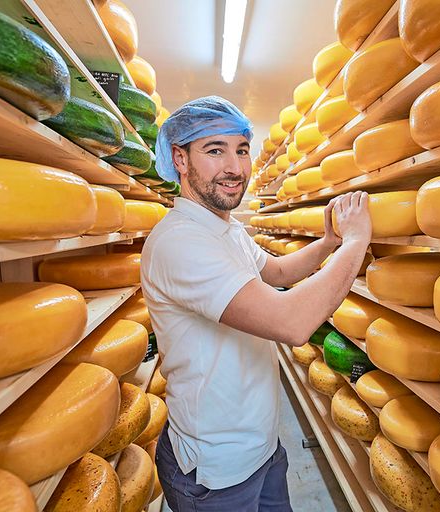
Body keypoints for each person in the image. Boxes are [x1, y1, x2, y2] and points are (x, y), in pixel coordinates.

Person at [140, 96, 372, 512]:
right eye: (215, 150)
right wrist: (356, 243)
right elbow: (293, 322)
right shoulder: (180, 242)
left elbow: (278, 274)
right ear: (179, 158)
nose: (234, 167)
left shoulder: (225, 230)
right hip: (215, 472)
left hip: (261, 446)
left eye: (241, 150)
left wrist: (329, 243)